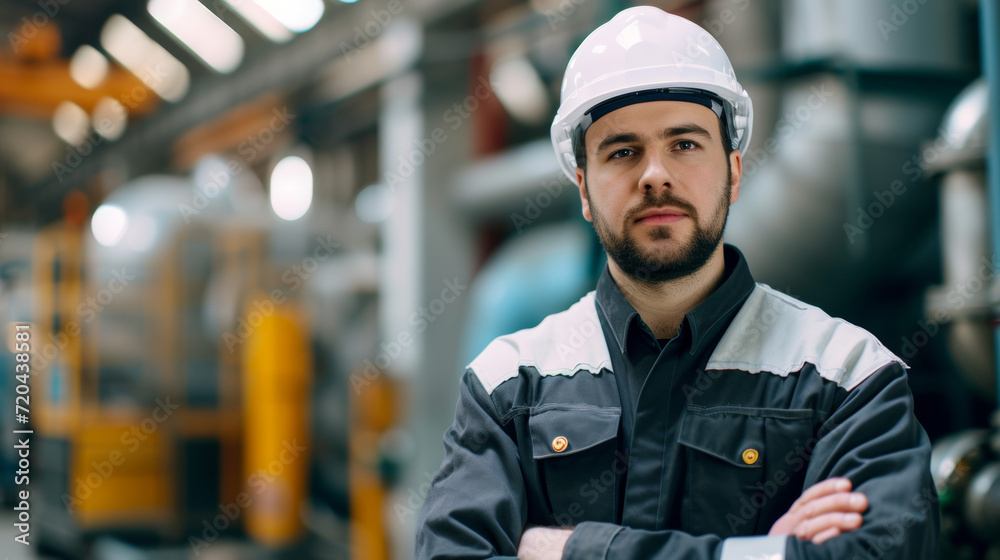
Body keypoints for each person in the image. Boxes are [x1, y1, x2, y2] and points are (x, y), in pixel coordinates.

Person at [414, 6, 939, 560]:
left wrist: (573, 551)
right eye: (622, 152)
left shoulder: (850, 376)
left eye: (685, 144)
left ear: (734, 172)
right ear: (585, 191)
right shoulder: (508, 384)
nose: (655, 174)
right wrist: (767, 552)